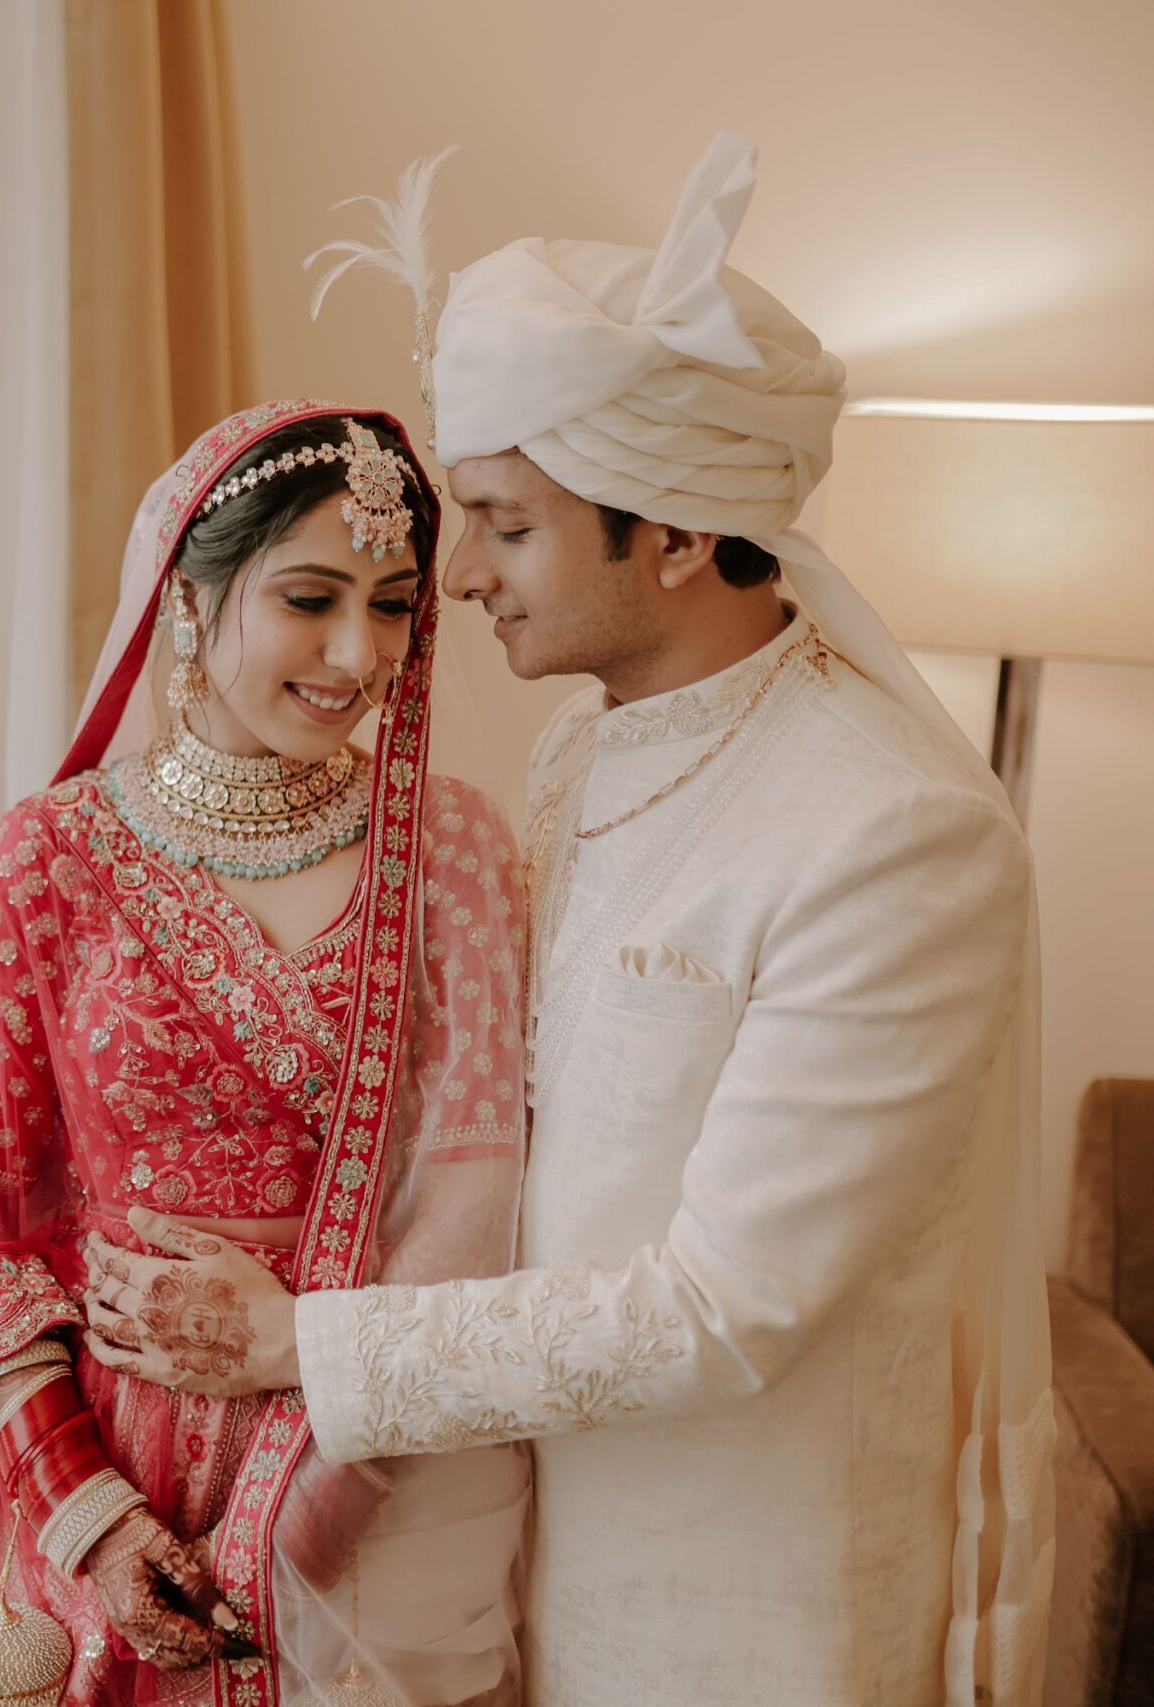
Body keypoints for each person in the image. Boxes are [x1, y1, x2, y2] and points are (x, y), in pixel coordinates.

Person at [84, 136, 1052, 1707]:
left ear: (671, 534)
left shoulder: (896, 834)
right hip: (500, 1561)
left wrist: (298, 1348)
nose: (456, 579)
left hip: (737, 1606)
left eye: (507, 527)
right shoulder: (572, 752)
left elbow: (725, 1309)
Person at [0, 399, 535, 1707]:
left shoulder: (447, 848)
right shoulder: (51, 856)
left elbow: (471, 1204)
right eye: (310, 597)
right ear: (188, 597)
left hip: (369, 1466)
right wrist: (92, 1519)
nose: (356, 652)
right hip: (89, 1464)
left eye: (392, 605)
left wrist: (296, 1510)